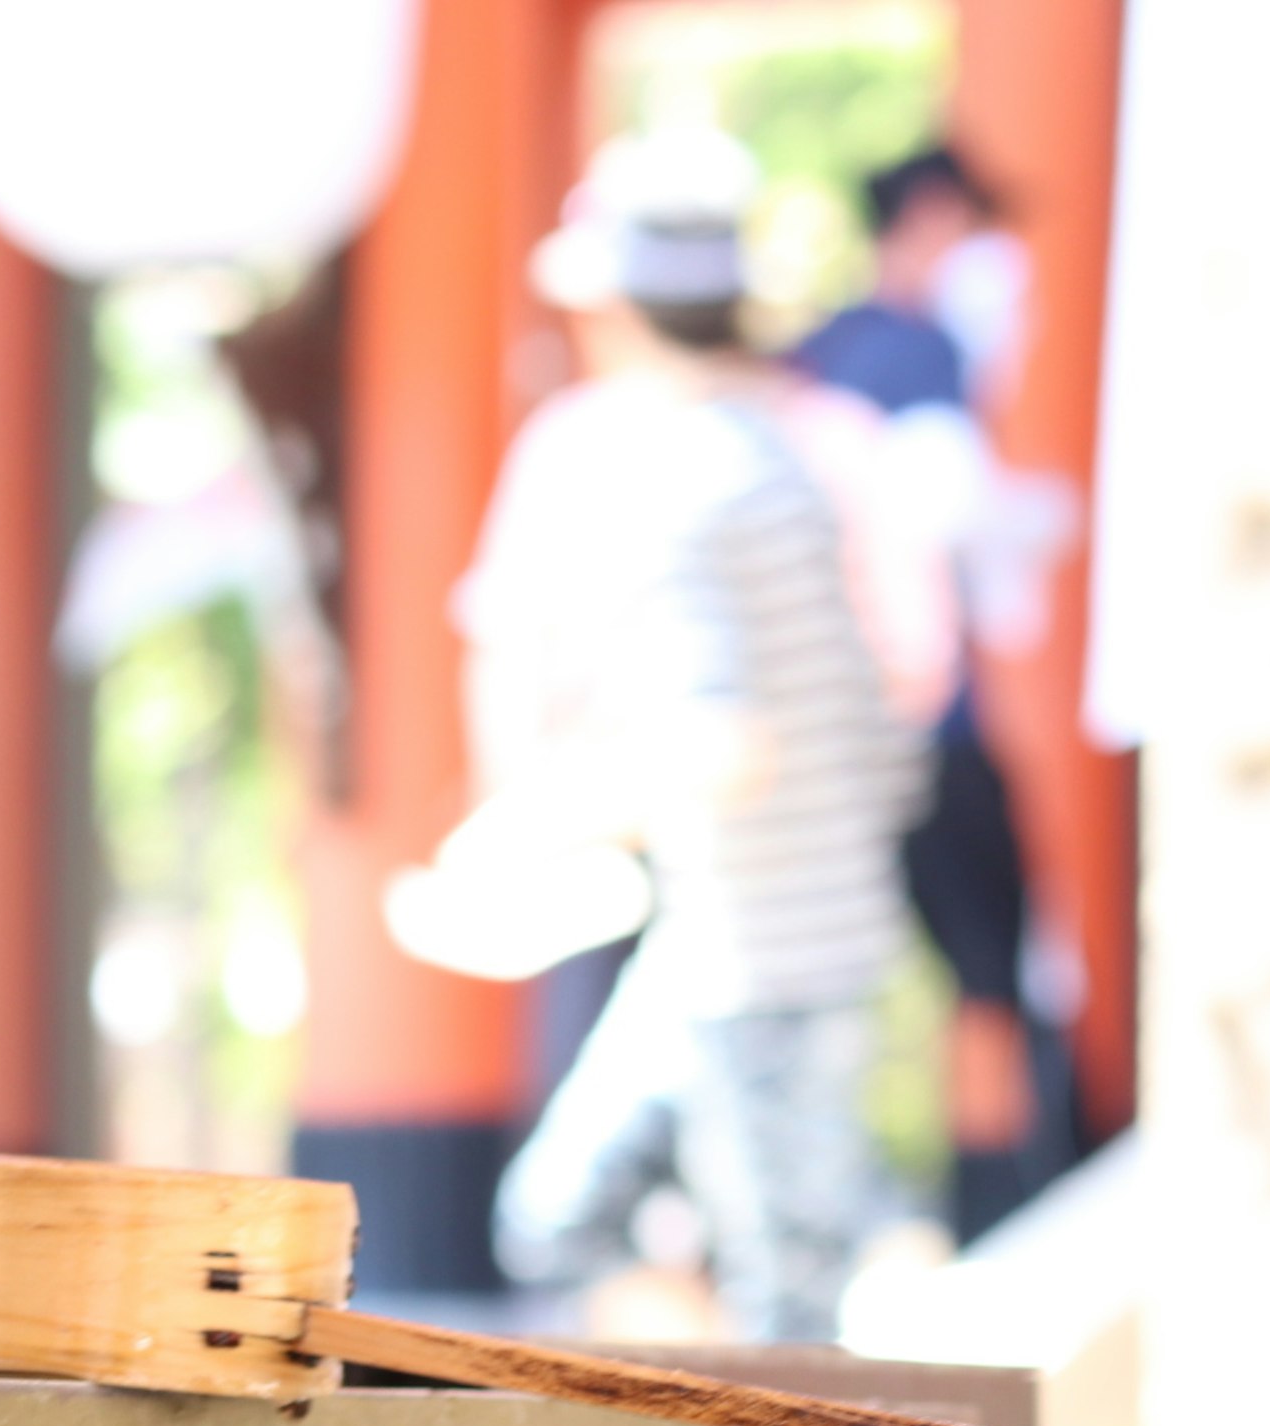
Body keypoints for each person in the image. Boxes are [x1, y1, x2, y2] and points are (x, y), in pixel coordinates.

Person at [450, 138, 924, 1343]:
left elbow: (723, 743)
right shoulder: (772, 459)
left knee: (785, 1310)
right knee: (570, 1222)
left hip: (768, 962)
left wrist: (525, 831)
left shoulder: (681, 485)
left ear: (606, 307)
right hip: (742, 940)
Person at [794, 144, 1066, 1239]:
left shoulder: (814, 358)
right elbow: (946, 517)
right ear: (937, 218)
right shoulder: (918, 351)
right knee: (1001, 971)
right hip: (924, 727)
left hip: (821, 735)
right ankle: (1011, 1200)